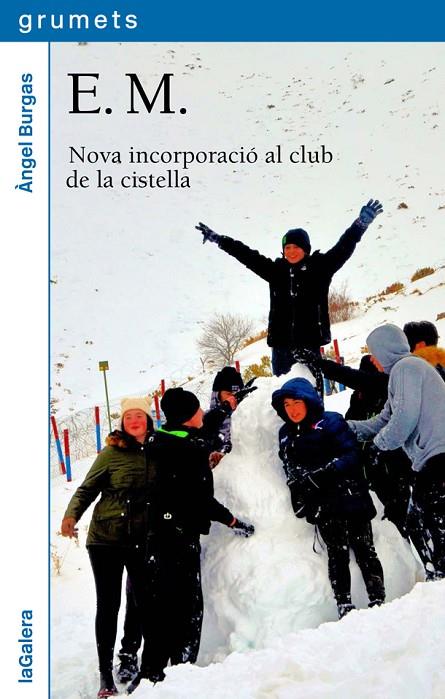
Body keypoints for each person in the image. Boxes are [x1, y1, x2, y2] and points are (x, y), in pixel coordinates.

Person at [127, 387, 254, 694]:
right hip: (178, 539)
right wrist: (233, 521)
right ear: (187, 417)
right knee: (187, 610)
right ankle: (179, 675)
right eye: (198, 410)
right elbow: (200, 501)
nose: (202, 414)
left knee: (160, 608)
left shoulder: (162, 439)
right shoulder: (188, 451)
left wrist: (226, 407)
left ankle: (151, 673)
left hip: (156, 538)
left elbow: (202, 428)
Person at [196, 199, 383, 380]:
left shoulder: (320, 268)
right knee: (283, 395)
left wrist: (360, 225)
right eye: (287, 247)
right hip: (281, 349)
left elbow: (344, 247)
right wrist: (220, 240)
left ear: (305, 249)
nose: (291, 251)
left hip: (309, 346)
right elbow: (247, 255)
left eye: (296, 247)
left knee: (310, 394)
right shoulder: (276, 271)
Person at [61, 396, 156, 698]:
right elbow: (87, 488)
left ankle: (129, 658)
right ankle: (105, 673)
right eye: (128, 417)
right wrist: (71, 515)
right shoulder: (111, 453)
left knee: (141, 601)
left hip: (141, 538)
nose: (134, 421)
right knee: (109, 604)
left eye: (138, 415)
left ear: (148, 419)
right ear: (123, 423)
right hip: (105, 539)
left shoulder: (159, 449)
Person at [271, 377, 385, 619]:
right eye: (287, 405)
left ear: (308, 401)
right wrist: (298, 494)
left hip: (350, 496)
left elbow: (352, 455)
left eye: (296, 403)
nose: (292, 410)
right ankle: (344, 605)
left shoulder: (331, 421)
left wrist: (325, 473)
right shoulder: (285, 434)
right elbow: (289, 466)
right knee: (337, 553)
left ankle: (378, 600)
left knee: (364, 549)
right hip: (323, 505)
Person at [347, 324, 445, 580]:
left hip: (439, 457)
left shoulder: (407, 367)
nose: (372, 360)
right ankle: (436, 575)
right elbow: (384, 420)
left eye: (374, 353)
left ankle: (440, 575)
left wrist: (378, 447)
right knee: (416, 520)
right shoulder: (401, 375)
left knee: (431, 519)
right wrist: (347, 428)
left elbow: (405, 418)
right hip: (430, 459)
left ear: (386, 349)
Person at [317, 353, 413, 540]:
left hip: (393, 470)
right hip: (367, 470)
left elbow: (386, 427)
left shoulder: (387, 390)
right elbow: (350, 424)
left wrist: (321, 364)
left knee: (399, 518)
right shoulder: (358, 398)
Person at [208, 366, 256, 467]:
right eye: (228, 394)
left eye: (236, 394)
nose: (233, 398)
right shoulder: (206, 420)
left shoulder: (246, 415)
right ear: (217, 395)